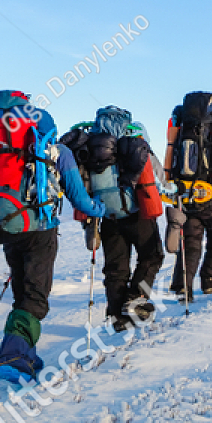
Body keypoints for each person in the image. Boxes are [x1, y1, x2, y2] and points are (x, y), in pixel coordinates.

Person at [0, 90, 107, 385]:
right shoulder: (55, 150)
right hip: (39, 228)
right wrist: (99, 208)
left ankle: (26, 353)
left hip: (6, 224)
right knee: (35, 296)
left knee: (23, 289)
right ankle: (14, 357)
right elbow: (80, 200)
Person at [61, 106, 166, 331]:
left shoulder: (88, 144)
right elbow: (157, 174)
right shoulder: (134, 137)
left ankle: (119, 317)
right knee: (153, 255)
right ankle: (135, 298)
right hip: (136, 212)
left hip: (104, 215)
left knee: (116, 267)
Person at [163, 92, 212, 301]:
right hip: (211, 199)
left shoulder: (180, 135)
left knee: (190, 242)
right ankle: (210, 280)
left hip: (185, 198)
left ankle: (183, 286)